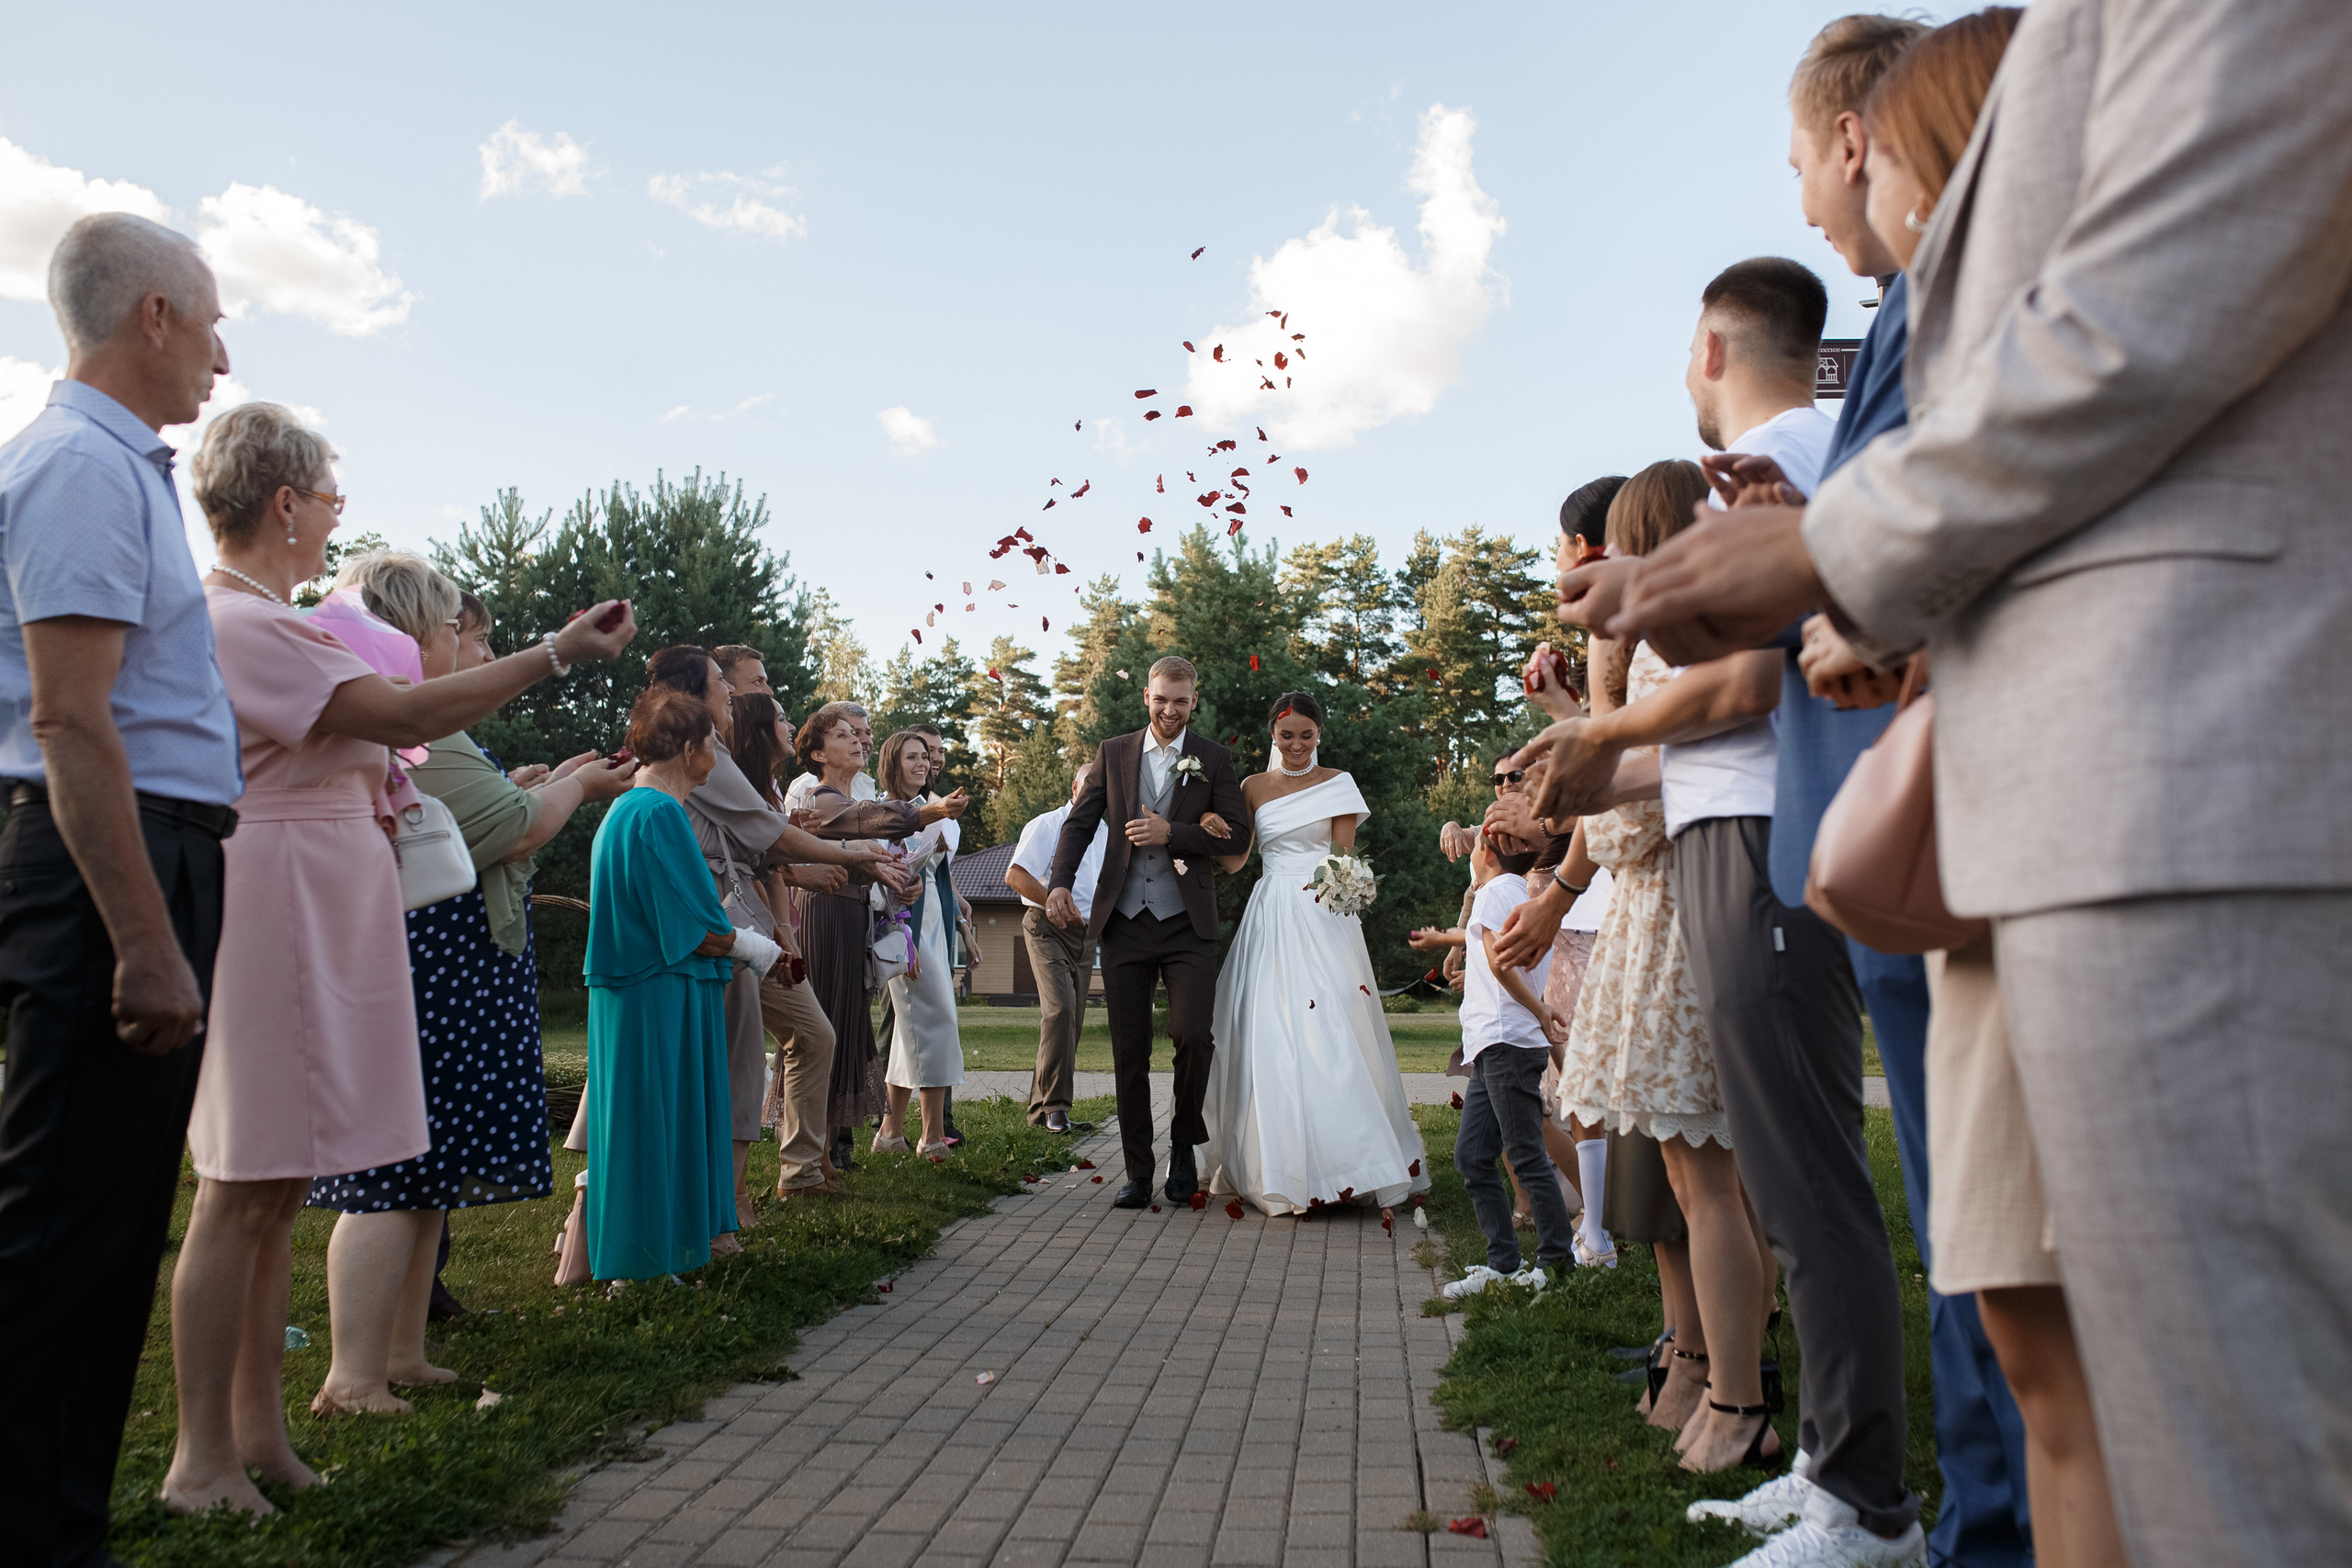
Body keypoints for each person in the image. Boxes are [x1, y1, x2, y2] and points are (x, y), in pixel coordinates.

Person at [1602, 5, 2352, 1562]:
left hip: (2185, 766)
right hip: (2046, 804)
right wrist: (1859, 593)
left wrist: (1824, 551)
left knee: (2231, 1455)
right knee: (2069, 1356)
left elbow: (2155, 305)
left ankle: (1880, 1491)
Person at [1686, 16, 2043, 1562]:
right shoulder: (1898, 320)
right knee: (1960, 1222)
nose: (1818, 189)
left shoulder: (1955, 304)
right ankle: (1964, 1505)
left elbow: (1943, 521)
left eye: (1816, 156)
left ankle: (1957, 1511)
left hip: (1925, 809)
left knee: (1986, 1230)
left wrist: (1819, 558)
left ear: (1870, 142)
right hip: (1881, 820)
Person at [167, 401, 635, 1514]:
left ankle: (261, 1437)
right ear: (283, 504)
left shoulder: (278, 621)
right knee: (239, 1194)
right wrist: (556, 652)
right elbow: (403, 709)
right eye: (329, 498)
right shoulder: (243, 625)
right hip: (276, 906)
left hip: (318, 902)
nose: (336, 517)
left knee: (276, 1191)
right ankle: (201, 1460)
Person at [0, 211, 239, 1564]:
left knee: (101, 1234)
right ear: (151, 315)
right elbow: (73, 721)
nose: (222, 348)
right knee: (63, 1236)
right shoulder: (79, 470)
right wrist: (144, 943)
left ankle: (57, 1518)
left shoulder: (117, 468)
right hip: (110, 855)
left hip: (153, 843)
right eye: (209, 317)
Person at [305, 567, 636, 1411]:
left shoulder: (425, 729)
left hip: (450, 971)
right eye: (463, 631)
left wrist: (534, 786)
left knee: (427, 1177)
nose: (472, 645)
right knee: (390, 1176)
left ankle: (404, 1352)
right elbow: (508, 829)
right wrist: (578, 787)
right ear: (417, 635)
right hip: (424, 974)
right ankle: (352, 1372)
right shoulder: (413, 726)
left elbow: (472, 822)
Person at [1547, 466, 1781, 1472]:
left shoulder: (1663, 654)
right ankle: (1701, 1369)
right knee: (1695, 1183)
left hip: (1681, 923)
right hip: (1670, 917)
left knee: (1708, 1184)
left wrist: (1594, 702)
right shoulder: (1686, 641)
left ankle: (1739, 1396)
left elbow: (1626, 824)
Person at [1196, 692, 1431, 1219]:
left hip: (1324, 911)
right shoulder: (1252, 788)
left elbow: (1344, 857)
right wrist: (1214, 829)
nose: (1297, 744)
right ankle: (1272, 1163)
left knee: (1332, 1025)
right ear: (1272, 736)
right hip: (1271, 909)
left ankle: (1352, 1164)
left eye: (1306, 734)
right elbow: (1237, 863)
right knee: (1269, 1028)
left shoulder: (1338, 783)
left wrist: (1347, 890)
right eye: (1287, 735)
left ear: (1319, 734)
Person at [581, 688, 781, 1283]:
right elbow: (695, 927)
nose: (719, 754)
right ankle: (640, 1263)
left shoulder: (631, 811)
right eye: (713, 742)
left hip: (647, 990)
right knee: (652, 1120)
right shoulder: (657, 813)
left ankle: (652, 1255)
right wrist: (753, 946)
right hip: (654, 995)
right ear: (690, 748)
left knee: (649, 1120)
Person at [1045, 655, 1250, 1209]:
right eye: (1162, 698)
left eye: (1181, 700)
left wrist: (1174, 831)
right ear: (1146, 697)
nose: (1170, 709)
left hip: (1188, 923)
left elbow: (1236, 837)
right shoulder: (1113, 753)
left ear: (1194, 702)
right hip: (1125, 923)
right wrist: (1060, 883)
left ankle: (1183, 1146)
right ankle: (1138, 1170)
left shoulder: (1213, 759)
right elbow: (1081, 822)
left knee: (1192, 1035)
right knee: (1128, 1049)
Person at [793, 702, 937, 1171]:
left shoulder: (855, 795)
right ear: (817, 753)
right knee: (829, 1020)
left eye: (858, 734)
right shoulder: (821, 799)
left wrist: (899, 879)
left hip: (854, 912)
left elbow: (869, 846)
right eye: (842, 735)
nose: (857, 741)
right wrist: (927, 812)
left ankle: (831, 1148)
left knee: (847, 1023)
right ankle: (813, 1152)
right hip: (827, 913)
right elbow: (872, 821)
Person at [728, 689, 848, 1201]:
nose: (789, 722)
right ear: (757, 730)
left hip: (764, 933)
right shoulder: (731, 783)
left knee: (813, 1036)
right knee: (747, 1057)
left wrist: (785, 932)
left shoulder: (768, 789)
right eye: (779, 717)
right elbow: (762, 860)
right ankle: (735, 1195)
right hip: (728, 932)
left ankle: (801, 1172)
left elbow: (772, 866)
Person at [1443, 823, 1573, 1288]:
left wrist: (1538, 1011)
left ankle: (1557, 1261)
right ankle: (1503, 1263)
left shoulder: (1495, 892)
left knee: (1525, 1155)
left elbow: (1501, 961)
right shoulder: (1517, 891)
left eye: (1477, 845)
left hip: (1507, 1043)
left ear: (1488, 854)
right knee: (1473, 1156)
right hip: (1492, 1045)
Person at [874, 728, 969, 1154]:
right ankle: (931, 1137)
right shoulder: (882, 811)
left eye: (926, 757)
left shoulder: (934, 810)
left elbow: (942, 872)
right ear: (893, 763)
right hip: (906, 926)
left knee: (907, 1034)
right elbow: (888, 871)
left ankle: (890, 1134)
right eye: (912, 756)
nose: (923, 763)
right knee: (936, 1022)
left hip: (936, 924)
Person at [1005, 764, 1107, 1133]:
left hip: (1086, 936)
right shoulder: (1048, 823)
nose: (1097, 792)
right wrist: (1054, 900)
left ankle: (1040, 1112)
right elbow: (1015, 875)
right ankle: (1056, 1109)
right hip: (1047, 926)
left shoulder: (1109, 833)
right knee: (1060, 1010)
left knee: (1070, 1022)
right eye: (1090, 785)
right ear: (1075, 787)